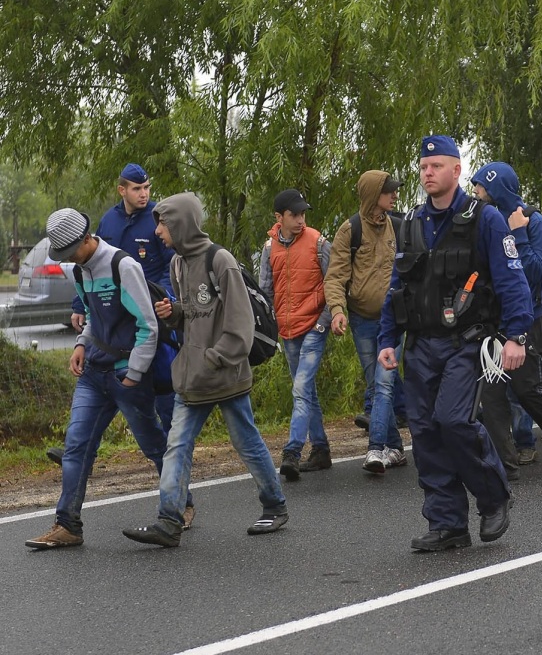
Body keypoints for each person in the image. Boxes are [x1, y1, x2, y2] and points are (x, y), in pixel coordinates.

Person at [378, 135, 531, 552]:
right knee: (425, 431)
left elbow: (512, 281)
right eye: (424, 167)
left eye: (436, 166)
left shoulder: (485, 219)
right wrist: (387, 339)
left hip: (468, 341)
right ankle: (447, 523)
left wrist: (516, 336)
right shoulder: (411, 221)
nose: (428, 173)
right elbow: (397, 286)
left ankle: (494, 496)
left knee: (453, 420)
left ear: (457, 170)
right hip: (420, 344)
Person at [124, 192, 288, 547]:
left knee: (247, 443)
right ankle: (169, 521)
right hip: (192, 379)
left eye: (162, 224)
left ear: (181, 223)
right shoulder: (177, 265)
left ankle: (274, 506)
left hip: (225, 375)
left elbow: (240, 326)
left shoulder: (220, 260)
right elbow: (191, 317)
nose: (156, 233)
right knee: (177, 446)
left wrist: (214, 357)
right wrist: (175, 313)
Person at [25, 209, 178, 549]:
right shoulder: (81, 271)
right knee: (77, 445)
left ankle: (182, 504)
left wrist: (135, 373)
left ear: (86, 238)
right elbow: (93, 315)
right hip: (94, 374)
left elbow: (148, 326)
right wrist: (81, 344)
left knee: (154, 446)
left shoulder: (122, 266)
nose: (68, 260)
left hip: (127, 375)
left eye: (69, 252)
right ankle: (68, 525)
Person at [56, 163, 175, 466]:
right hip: (114, 320)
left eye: (147, 187)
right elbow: (91, 267)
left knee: (163, 386)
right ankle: (84, 453)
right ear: (122, 190)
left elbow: (171, 266)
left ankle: (175, 448)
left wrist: (164, 301)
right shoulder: (108, 221)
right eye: (137, 189)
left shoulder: (157, 220)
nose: (144, 194)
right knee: (104, 388)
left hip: (153, 316)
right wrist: (80, 306)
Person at [471, 162, 542, 478]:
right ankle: (506, 462)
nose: (475, 193)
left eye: (480, 187)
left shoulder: (534, 221)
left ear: (497, 187)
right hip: (492, 318)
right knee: (492, 390)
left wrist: (517, 232)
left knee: (526, 386)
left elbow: (534, 270)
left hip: (527, 315)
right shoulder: (484, 219)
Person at [323, 171, 406, 473]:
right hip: (361, 320)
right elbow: (335, 277)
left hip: (393, 322)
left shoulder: (399, 226)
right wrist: (337, 311)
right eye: (389, 191)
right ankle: (396, 448)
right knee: (378, 383)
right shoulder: (350, 230)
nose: (395, 195)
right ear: (373, 195)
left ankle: (376, 449)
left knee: (383, 384)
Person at [258, 189, 333, 481]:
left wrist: (324, 321)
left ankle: (292, 451)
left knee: (301, 389)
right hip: (287, 330)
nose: (301, 219)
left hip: (314, 326)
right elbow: (266, 291)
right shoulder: (269, 249)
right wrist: (272, 325)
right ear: (279, 217)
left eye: (303, 214)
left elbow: (335, 283)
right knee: (307, 392)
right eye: (294, 214)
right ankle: (322, 450)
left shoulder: (318, 242)